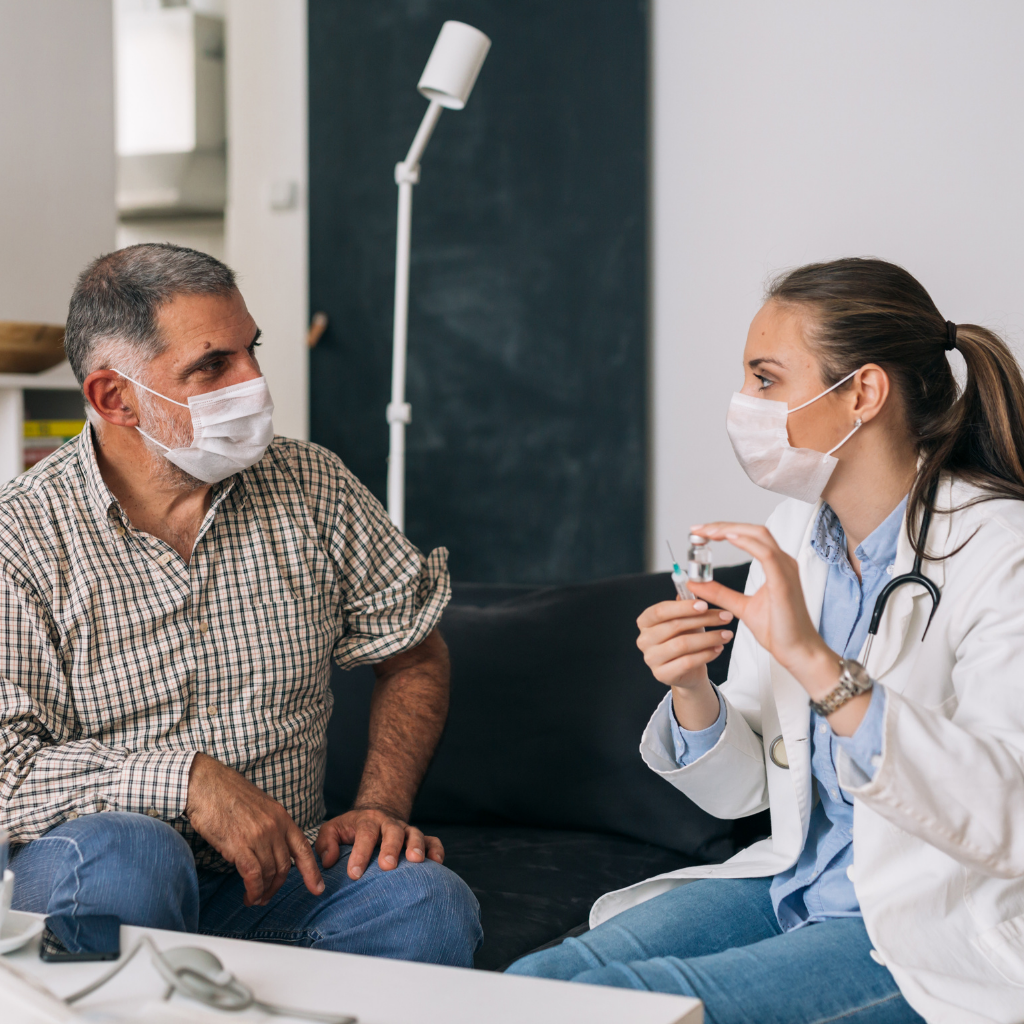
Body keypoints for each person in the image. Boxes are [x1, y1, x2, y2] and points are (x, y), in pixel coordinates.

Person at [508, 258, 1024, 1023]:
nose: (743, 406)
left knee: (619, 1008)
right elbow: (747, 791)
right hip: (796, 881)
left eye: (765, 380)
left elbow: (1004, 811)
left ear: (863, 394)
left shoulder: (998, 549)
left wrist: (818, 665)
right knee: (535, 983)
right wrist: (690, 689)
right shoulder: (798, 540)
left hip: (932, 921)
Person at [1, 243, 481, 965]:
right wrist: (188, 780)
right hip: (105, 872)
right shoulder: (20, 538)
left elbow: (412, 652)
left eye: (251, 350)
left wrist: (380, 806)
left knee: (426, 903)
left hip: (284, 880)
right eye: (212, 365)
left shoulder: (313, 484)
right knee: (131, 853)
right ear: (114, 397)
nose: (254, 382)